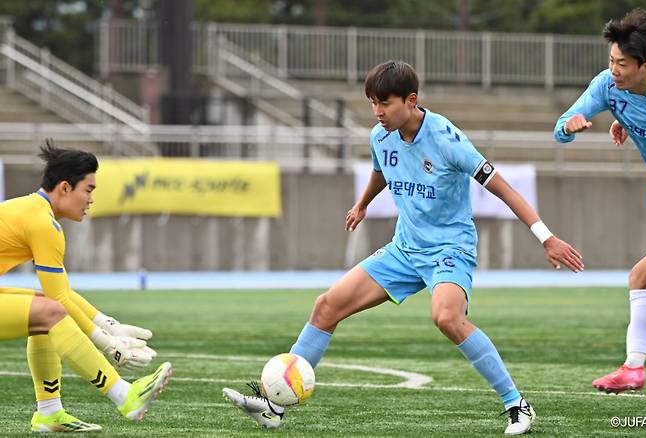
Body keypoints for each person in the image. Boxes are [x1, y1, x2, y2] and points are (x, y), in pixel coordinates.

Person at [223, 60, 584, 435]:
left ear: (411, 101)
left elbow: (505, 189)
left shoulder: (447, 139)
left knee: (446, 318)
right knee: (326, 306)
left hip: (450, 248)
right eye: (372, 103)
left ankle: (516, 404)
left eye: (385, 103)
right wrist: (363, 203)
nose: (377, 112)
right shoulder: (380, 136)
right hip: (404, 249)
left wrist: (547, 237)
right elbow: (382, 169)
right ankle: (274, 406)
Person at [0, 140, 173, 432]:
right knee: (49, 312)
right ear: (65, 188)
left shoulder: (34, 212)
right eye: (88, 190)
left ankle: (49, 412)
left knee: (43, 310)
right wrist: (109, 346)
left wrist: (109, 325)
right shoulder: (44, 224)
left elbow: (60, 294)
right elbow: (61, 301)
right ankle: (124, 396)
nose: (91, 199)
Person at [554, 8, 646, 394]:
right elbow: (559, 129)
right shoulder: (608, 87)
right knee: (641, 277)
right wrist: (570, 126)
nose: (613, 69)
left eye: (622, 64)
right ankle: (633, 368)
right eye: (611, 60)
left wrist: (632, 120)